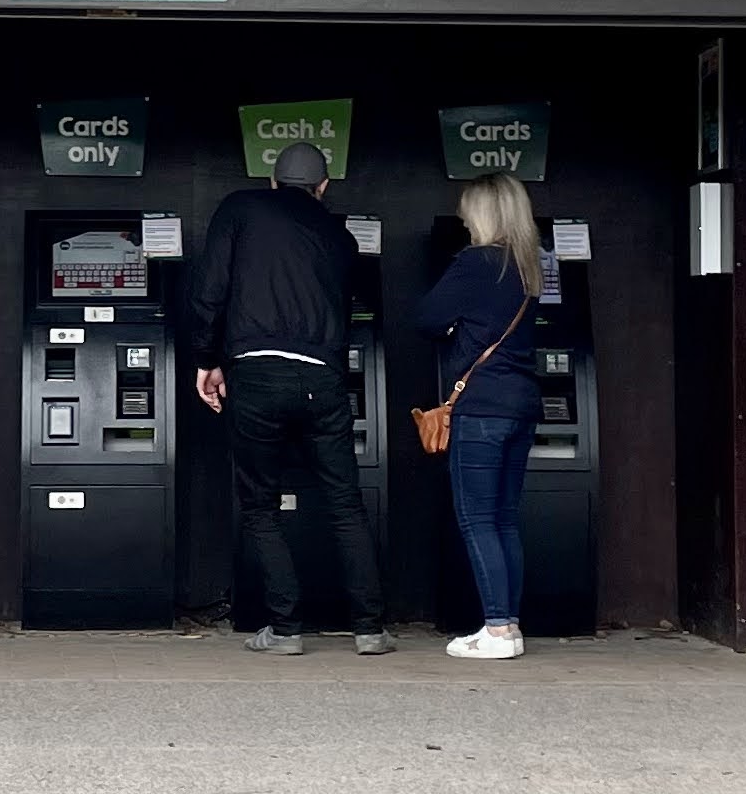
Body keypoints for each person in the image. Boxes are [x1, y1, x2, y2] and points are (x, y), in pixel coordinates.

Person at [178, 138, 390, 657]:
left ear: (273, 181)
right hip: (324, 377)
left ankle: (286, 629)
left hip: (255, 373)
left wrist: (207, 360)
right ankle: (370, 629)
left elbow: (210, 289)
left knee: (260, 505)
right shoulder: (340, 237)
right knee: (345, 503)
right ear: (323, 187)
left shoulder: (240, 208)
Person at [416, 172, 545, 661]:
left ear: (485, 213)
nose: (465, 218)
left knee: (476, 519)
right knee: (505, 520)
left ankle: (495, 629)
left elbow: (426, 318)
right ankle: (507, 625)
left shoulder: (475, 263)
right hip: (522, 405)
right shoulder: (528, 268)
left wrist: (453, 326)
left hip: (481, 407)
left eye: (469, 209)